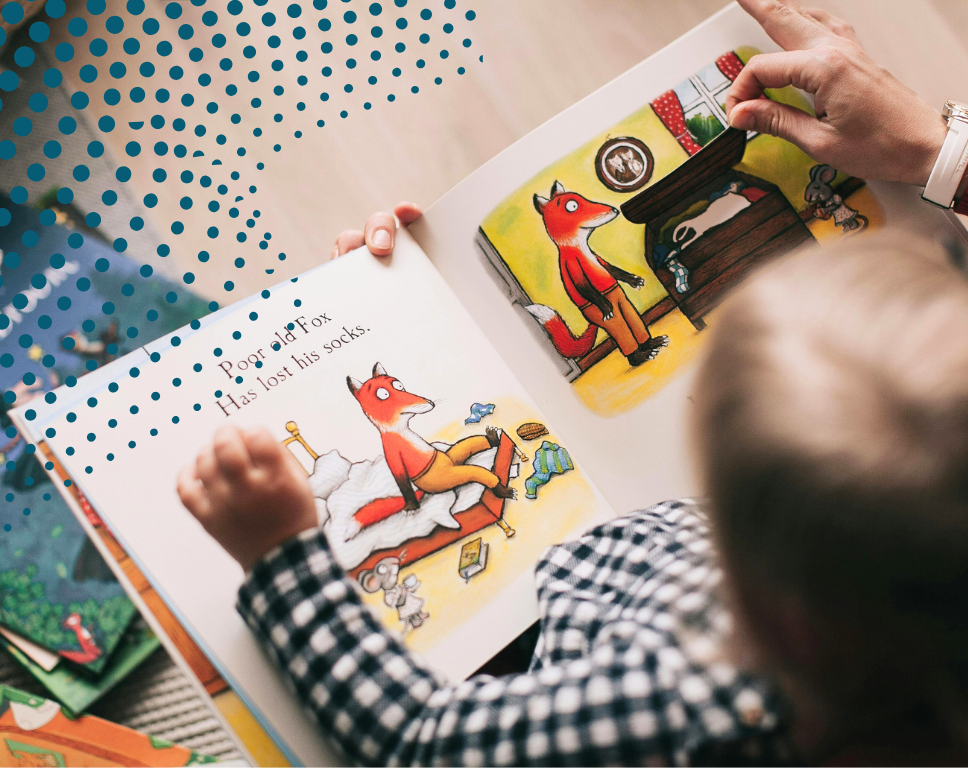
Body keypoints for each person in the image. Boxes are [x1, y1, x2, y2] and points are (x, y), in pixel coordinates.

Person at [176, 1, 968, 764]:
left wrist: (282, 559)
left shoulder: (691, 695)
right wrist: (939, 155)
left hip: (528, 649)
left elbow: (420, 741)